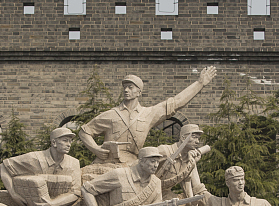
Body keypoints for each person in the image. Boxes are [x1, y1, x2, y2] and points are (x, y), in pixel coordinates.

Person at [78, 68, 217, 164]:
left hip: (133, 164)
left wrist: (199, 84)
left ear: (139, 92)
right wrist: (95, 149)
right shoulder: (111, 115)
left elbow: (176, 103)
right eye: (124, 87)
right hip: (106, 163)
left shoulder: (148, 114)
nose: (126, 90)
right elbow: (84, 131)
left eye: (130, 87)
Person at [155, 123, 209, 198]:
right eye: (194, 137)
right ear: (183, 138)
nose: (197, 141)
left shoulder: (189, 161)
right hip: (148, 193)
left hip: (164, 195)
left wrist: (191, 202)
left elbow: (186, 182)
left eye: (198, 138)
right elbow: (139, 164)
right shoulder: (165, 151)